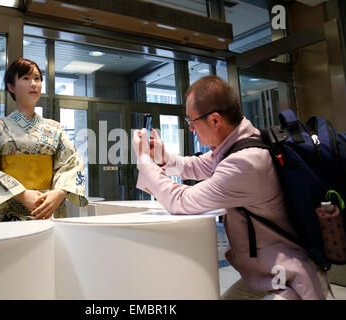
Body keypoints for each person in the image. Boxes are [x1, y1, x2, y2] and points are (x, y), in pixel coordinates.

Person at [132, 75, 328, 300]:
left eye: (191, 121)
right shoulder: (238, 144)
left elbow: (181, 201)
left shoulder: (245, 162)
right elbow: (196, 165)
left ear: (215, 120)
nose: (192, 129)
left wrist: (145, 161)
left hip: (289, 278)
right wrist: (163, 158)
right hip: (270, 273)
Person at [0, 58, 88, 223]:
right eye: (25, 78)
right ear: (11, 86)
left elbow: (72, 163)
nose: (33, 84)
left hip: (47, 209)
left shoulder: (55, 129)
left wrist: (60, 192)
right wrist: (21, 194)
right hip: (10, 213)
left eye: (37, 79)